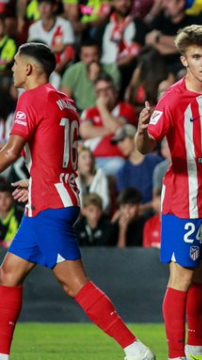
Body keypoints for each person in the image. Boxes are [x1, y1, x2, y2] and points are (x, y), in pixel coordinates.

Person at [0, 42, 154, 360]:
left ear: (28, 68)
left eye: (15, 63)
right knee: (9, 273)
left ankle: (135, 349)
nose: (12, 68)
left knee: (75, 284)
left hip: (49, 204)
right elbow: (56, 150)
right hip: (56, 195)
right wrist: (39, 177)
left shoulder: (30, 97)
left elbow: (11, 151)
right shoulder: (66, 102)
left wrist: (41, 181)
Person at [135, 25, 202, 360]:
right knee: (182, 276)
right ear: (184, 60)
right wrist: (140, 130)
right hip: (182, 202)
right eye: (196, 56)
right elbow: (147, 144)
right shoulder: (173, 99)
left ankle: (195, 346)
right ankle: (176, 355)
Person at [80, 73, 137, 175]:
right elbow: (85, 132)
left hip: (116, 161)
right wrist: (110, 128)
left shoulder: (126, 109)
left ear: (114, 90)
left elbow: (117, 129)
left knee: (118, 166)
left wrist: (102, 107)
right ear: (96, 94)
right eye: (100, 91)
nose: (104, 94)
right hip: (90, 161)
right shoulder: (90, 112)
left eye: (107, 89)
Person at [60, 40, 121, 113]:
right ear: (81, 56)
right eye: (86, 56)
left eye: (94, 55)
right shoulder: (72, 71)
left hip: (106, 110)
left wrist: (97, 77)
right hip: (79, 112)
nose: (91, 59)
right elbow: (65, 100)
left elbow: (113, 97)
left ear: (100, 54)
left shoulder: (112, 71)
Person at [0, 183, 21, 248]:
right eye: (0, 197)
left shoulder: (20, 215)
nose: (3, 201)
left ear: (13, 198)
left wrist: (4, 244)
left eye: (7, 197)